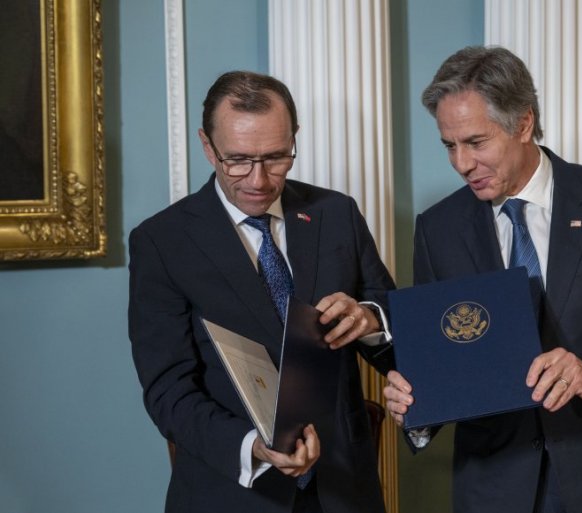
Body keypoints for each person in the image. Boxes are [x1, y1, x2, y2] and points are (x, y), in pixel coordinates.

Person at [383, 46, 582, 513]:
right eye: (449, 145)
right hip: (493, 490)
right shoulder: (437, 229)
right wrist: (415, 404)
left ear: (523, 123)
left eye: (476, 142)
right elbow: (444, 363)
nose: (462, 163)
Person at [129, 71, 394, 513]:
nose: (258, 180)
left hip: (344, 488)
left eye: (275, 157)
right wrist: (252, 446)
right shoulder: (162, 242)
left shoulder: (336, 213)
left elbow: (394, 328)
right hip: (231, 493)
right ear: (207, 146)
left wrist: (369, 319)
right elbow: (167, 390)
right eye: (237, 160)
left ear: (294, 139)